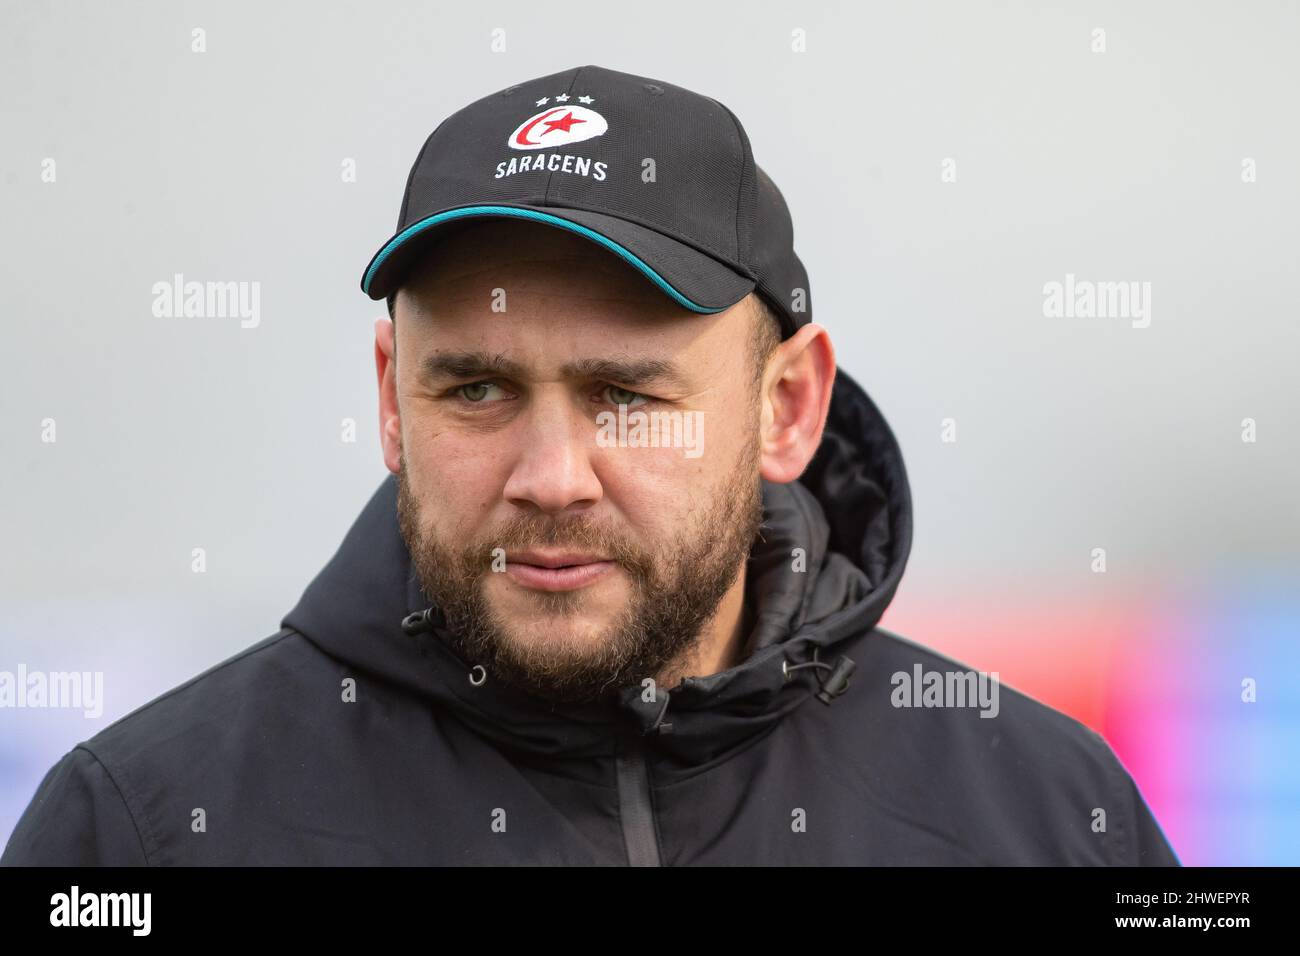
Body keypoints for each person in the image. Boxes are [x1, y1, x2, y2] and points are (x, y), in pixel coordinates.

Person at [2, 65, 1179, 865]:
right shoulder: (142, 830)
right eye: (476, 388)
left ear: (787, 405)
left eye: (625, 395)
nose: (550, 475)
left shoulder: (1046, 816)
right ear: (389, 400)